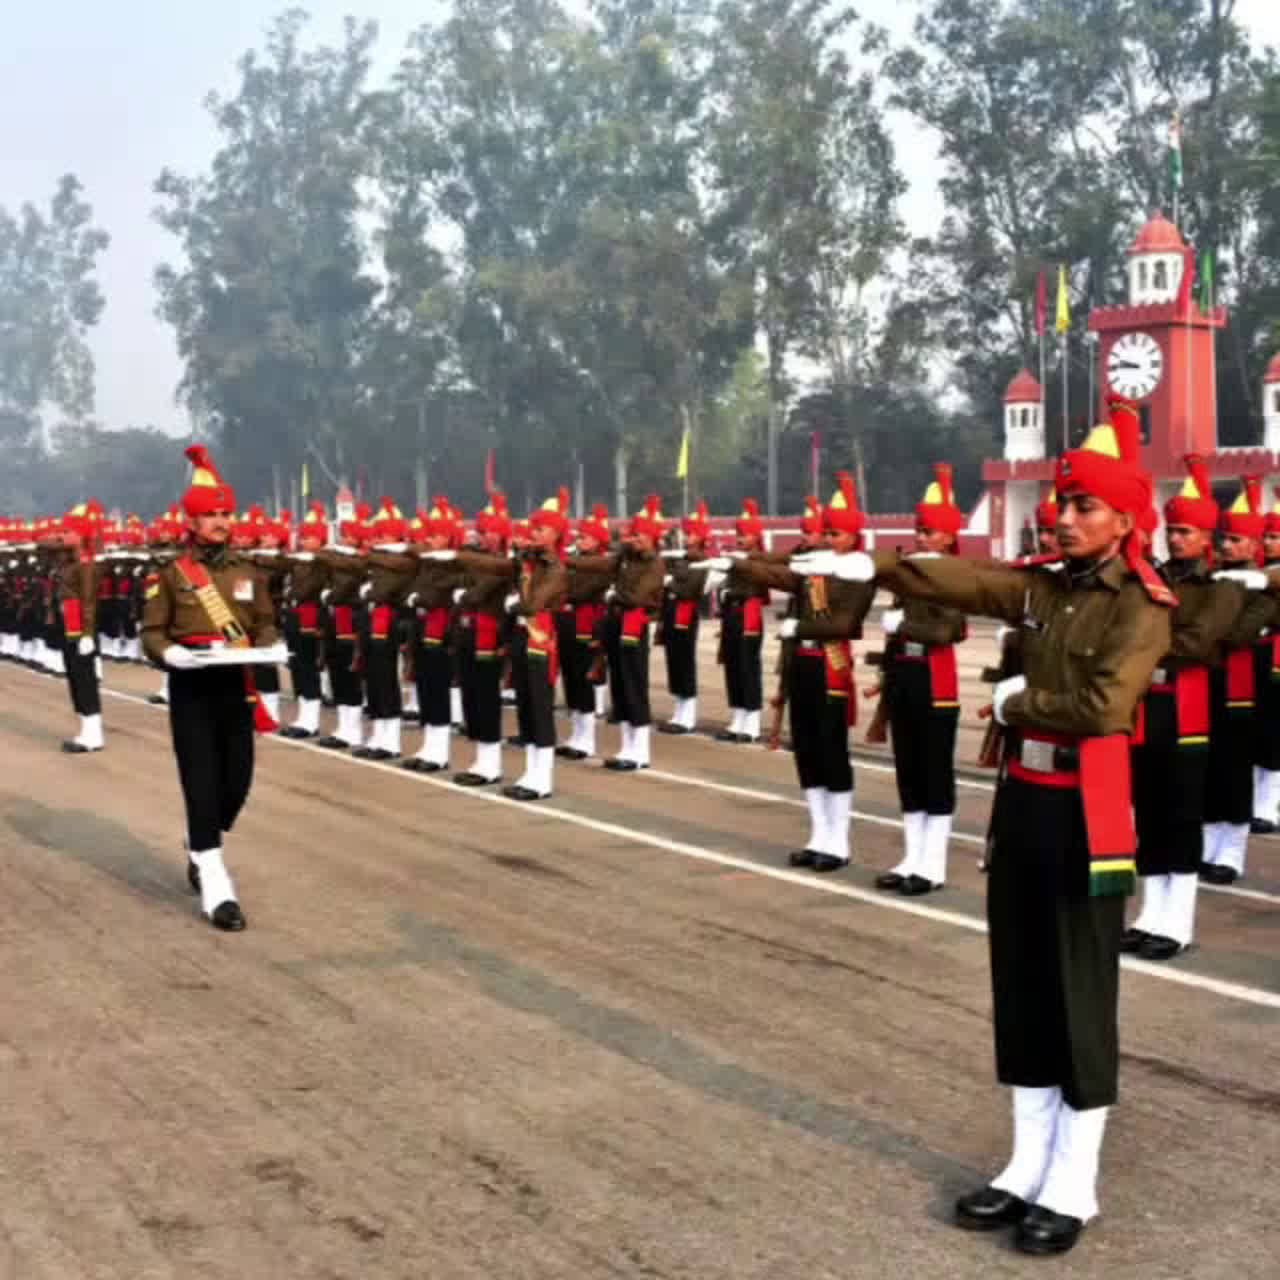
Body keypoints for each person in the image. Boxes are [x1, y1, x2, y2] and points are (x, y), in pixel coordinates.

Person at [848, 396, 1173, 1255]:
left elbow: (1104, 707)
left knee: (1079, 997)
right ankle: (1025, 1165)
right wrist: (875, 567)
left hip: (1086, 818)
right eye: (1062, 504)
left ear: (1124, 518)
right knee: (1023, 989)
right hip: (1024, 807)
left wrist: (1022, 697)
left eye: (1083, 507)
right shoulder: (1045, 587)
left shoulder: (1142, 604)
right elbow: (959, 579)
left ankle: (1076, 1181)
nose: (1062, 519)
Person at [141, 446, 285, 932]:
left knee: (236, 782)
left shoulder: (248, 571)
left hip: (235, 684)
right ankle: (215, 881)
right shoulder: (171, 573)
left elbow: (264, 623)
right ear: (193, 522)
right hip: (192, 688)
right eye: (212, 515)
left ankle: (200, 840)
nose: (222, 522)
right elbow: (152, 633)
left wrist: (269, 647)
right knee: (200, 781)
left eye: (226, 513)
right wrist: (170, 655)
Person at [722, 473, 876, 870]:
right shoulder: (814, 568)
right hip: (804, 665)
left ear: (854, 538)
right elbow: (778, 572)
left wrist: (801, 628)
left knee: (831, 751)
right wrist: (741, 564)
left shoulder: (859, 573)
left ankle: (838, 841)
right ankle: (817, 834)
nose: (828, 539)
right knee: (806, 751)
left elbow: (845, 624)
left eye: (836, 534)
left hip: (831, 665)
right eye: (827, 532)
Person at [1126, 455, 1243, 960]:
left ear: (1205, 539)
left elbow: (1197, 644)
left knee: (1180, 817)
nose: (1175, 539)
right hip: (1146, 708)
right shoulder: (1150, 577)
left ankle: (1179, 923)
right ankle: (1152, 913)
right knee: (1149, 816)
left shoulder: (1220, 588)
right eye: (1171, 530)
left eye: (1186, 532)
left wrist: (1143, 644)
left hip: (1187, 713)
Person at [875, 464, 968, 896]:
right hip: (907, 678)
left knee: (934, 774)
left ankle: (934, 864)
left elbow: (949, 630)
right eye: (920, 530)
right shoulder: (910, 572)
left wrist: (903, 625)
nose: (922, 537)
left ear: (949, 537)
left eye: (930, 532)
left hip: (937, 683)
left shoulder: (955, 575)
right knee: (908, 772)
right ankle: (912, 856)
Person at [1201, 476, 1279, 885]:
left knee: (1234, 772)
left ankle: (1232, 850)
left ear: (1252, 546)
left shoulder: (1263, 592)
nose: (1225, 546)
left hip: (1243, 692)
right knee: (1211, 770)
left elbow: (1236, 635)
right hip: (1208, 686)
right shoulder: (1212, 581)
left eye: (1234, 540)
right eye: (1223, 540)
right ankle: (1209, 844)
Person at [557, 504, 614, 760]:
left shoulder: (602, 565)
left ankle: (587, 738)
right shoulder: (574, 564)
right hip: (568, 625)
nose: (580, 541)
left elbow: (581, 592)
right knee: (571, 680)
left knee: (585, 681)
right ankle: (576, 734)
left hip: (588, 627)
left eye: (586, 537)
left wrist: (565, 593)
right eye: (579, 537)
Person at [716, 499, 769, 743]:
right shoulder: (735, 557)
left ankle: (752, 721)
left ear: (756, 537)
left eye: (745, 535)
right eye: (738, 534)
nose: (740, 539)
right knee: (733, 666)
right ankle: (738, 716)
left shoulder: (759, 559)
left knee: (749, 667)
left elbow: (755, 588)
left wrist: (732, 593)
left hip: (749, 615)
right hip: (733, 616)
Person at [278, 501, 331, 740]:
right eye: (303, 537)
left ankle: (311, 720)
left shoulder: (321, 563)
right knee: (297, 667)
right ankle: (302, 715)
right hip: (294, 616)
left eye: (310, 538)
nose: (304, 542)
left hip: (310, 617)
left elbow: (308, 590)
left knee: (309, 668)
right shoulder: (299, 561)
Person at [659, 500, 712, 735]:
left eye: (691, 534)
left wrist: (673, 580)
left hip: (686, 613)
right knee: (674, 660)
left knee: (685, 660)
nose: (687, 537)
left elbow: (690, 588)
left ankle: (688, 714)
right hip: (672, 612)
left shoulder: (700, 560)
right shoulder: (681, 558)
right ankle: (679, 709)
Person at [57, 501, 105, 753]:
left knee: (84, 679)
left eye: (67, 532)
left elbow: (89, 600)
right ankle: (86, 730)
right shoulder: (70, 560)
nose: (62, 536)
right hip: (70, 624)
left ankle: (93, 734)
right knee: (75, 677)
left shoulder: (87, 564)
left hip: (80, 627)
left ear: (80, 535)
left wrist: (87, 634)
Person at [1251, 488, 1280, 832]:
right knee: (1261, 736)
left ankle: (1268, 807)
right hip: (1259, 661)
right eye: (1267, 537)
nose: (1268, 542)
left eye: (1275, 537)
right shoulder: (1259, 572)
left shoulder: (1265, 576)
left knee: (1274, 740)